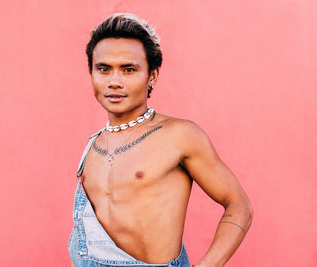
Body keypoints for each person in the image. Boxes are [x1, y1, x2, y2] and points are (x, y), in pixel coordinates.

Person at [68, 13, 253, 267]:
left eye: (129, 70)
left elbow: (239, 205)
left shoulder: (179, 135)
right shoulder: (92, 148)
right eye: (104, 69)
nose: (114, 82)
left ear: (152, 76)